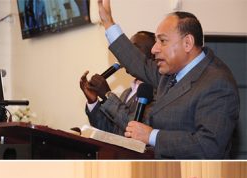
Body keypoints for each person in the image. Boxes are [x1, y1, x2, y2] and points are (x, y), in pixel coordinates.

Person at [97, 0, 239, 159]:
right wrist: (108, 23)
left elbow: (209, 146)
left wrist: (151, 136)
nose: (154, 49)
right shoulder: (170, 73)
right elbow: (136, 63)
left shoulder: (217, 83)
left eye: (162, 41)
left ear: (187, 43)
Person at [80, 31, 156, 135]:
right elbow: (110, 131)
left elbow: (136, 127)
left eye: (134, 49)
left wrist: (107, 95)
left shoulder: (157, 91)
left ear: (152, 57)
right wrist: (93, 101)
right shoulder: (127, 93)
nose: (127, 54)